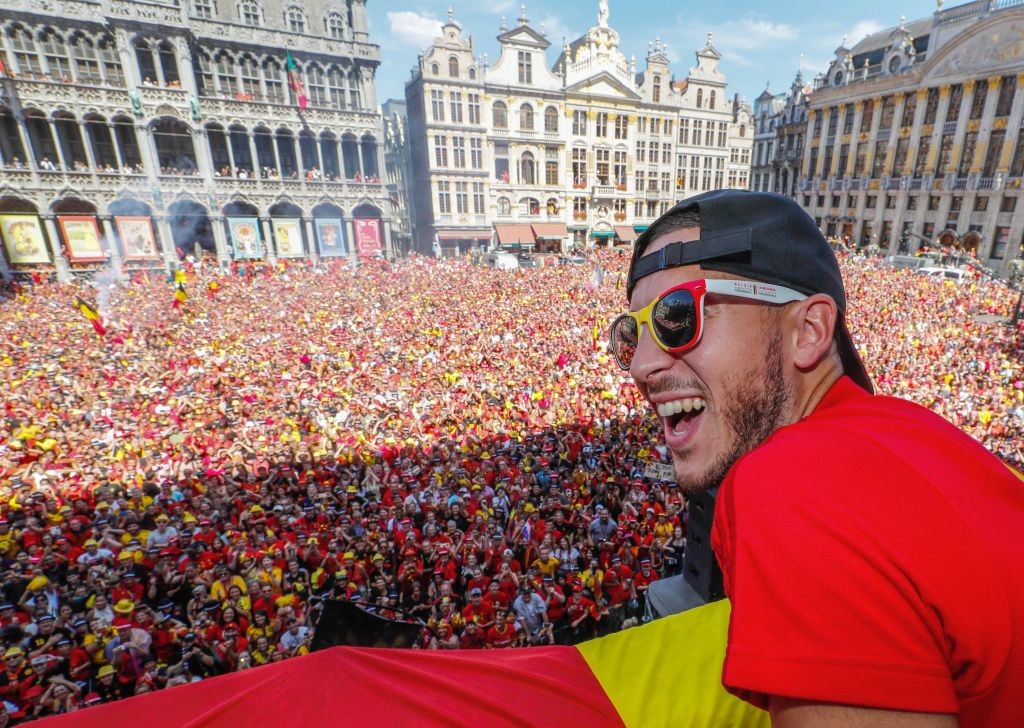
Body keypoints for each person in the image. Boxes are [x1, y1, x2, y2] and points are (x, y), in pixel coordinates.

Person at [615, 189, 1024, 726]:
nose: (640, 365)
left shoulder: (788, 485)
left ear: (808, 332)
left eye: (677, 314)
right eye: (631, 333)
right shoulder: (918, 432)